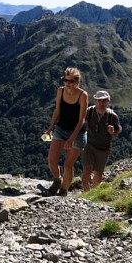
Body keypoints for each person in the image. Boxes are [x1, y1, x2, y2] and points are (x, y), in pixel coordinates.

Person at [43, 67, 88, 196]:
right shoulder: (60, 91)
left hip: (78, 133)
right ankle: (57, 180)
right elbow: (57, 110)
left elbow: (82, 120)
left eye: (71, 81)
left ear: (77, 82)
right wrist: (51, 128)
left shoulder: (82, 95)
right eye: (65, 80)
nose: (67, 83)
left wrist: (71, 139)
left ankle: (64, 190)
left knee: (68, 164)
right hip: (61, 128)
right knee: (52, 160)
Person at [81, 90, 122, 191]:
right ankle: (86, 193)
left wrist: (113, 130)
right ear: (95, 101)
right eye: (99, 100)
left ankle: (94, 193)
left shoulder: (112, 116)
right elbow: (80, 123)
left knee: (98, 173)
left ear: (108, 102)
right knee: (87, 170)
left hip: (103, 148)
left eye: (104, 101)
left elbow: (119, 129)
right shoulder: (89, 112)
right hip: (88, 145)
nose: (101, 103)